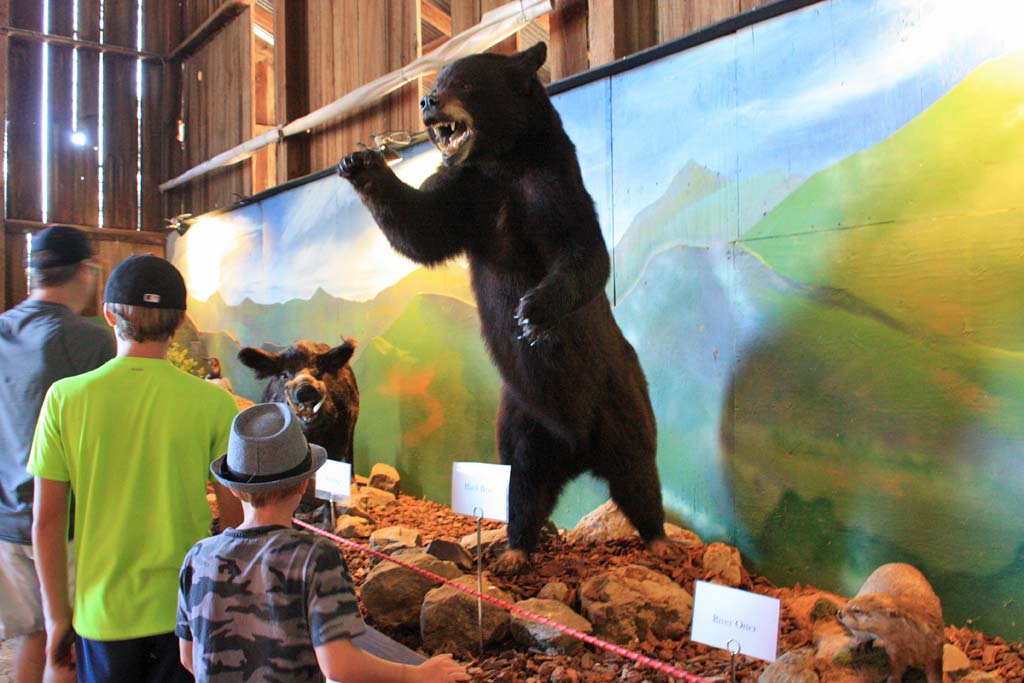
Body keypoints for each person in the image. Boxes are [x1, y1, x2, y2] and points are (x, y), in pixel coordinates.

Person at [28, 254, 243, 682]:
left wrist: (57, 618)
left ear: (108, 315)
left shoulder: (65, 399)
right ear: (180, 321)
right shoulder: (214, 402)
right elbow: (236, 521)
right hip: (186, 611)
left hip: (102, 614)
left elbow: (47, 521)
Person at [177, 402, 471, 683]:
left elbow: (189, 658)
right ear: (304, 482)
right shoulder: (313, 556)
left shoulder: (197, 556)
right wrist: (416, 675)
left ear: (233, 488)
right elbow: (338, 663)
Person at [0, 225, 115, 683]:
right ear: (86, 271)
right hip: (64, 524)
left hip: (6, 522)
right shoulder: (89, 341)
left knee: (32, 637)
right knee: (67, 645)